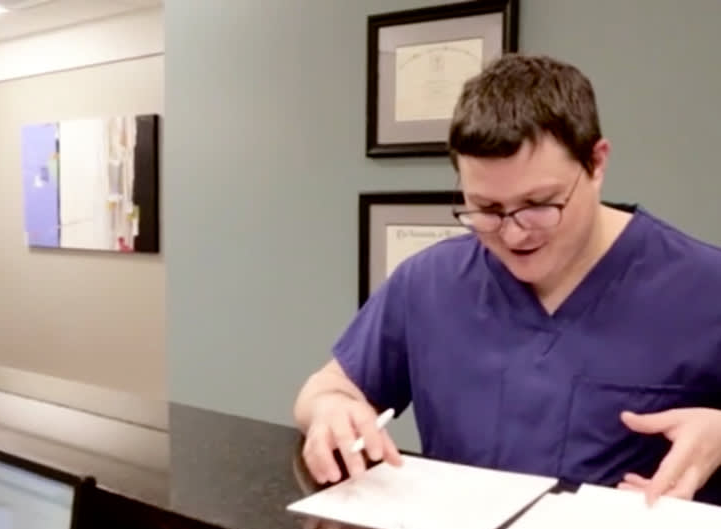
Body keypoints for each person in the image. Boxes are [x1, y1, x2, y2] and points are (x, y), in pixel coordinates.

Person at [295, 54, 721, 505]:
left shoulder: (705, 287)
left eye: (539, 203)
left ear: (596, 164)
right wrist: (330, 409)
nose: (514, 233)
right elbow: (328, 386)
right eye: (487, 209)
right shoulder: (428, 283)